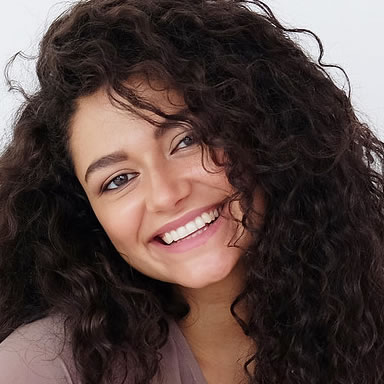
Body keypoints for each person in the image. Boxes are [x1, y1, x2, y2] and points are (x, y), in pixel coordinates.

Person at [0, 0, 383, 383]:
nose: (166, 194)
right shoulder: (41, 369)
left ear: (264, 131)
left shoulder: (366, 312)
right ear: (85, 214)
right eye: (118, 179)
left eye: (187, 141)